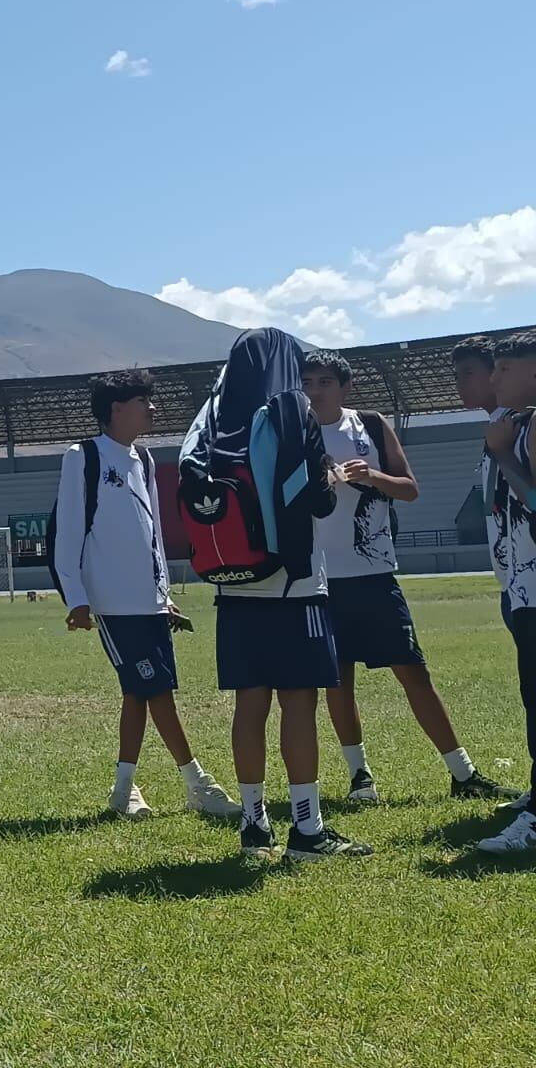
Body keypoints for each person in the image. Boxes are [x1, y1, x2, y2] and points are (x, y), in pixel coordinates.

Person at [180, 327, 370, 861]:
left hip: (231, 583)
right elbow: (315, 501)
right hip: (294, 584)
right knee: (299, 706)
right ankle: (307, 830)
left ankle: (253, 823)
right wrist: (330, 477)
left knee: (249, 705)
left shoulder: (210, 415)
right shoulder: (290, 410)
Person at [301, 349, 513, 804]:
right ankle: (360, 777)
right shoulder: (292, 433)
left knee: (414, 673)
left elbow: (411, 489)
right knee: (336, 681)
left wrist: (373, 475)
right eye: (308, 383)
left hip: (374, 574)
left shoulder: (371, 425)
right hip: (317, 579)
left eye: (323, 382)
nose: (314, 391)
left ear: (344, 387)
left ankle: (463, 772)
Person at [55, 370, 238, 820]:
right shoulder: (84, 457)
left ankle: (123, 792)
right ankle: (198, 783)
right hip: (112, 604)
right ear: (116, 409)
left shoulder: (146, 459)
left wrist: (163, 594)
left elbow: (153, 532)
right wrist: (76, 597)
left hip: (148, 602)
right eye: (143, 400)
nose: (152, 408)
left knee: (140, 693)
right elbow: (67, 531)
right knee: (157, 691)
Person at [474, 331, 536, 853]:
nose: (494, 380)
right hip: (524, 588)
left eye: (505, 370)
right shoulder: (518, 425)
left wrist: (503, 456)